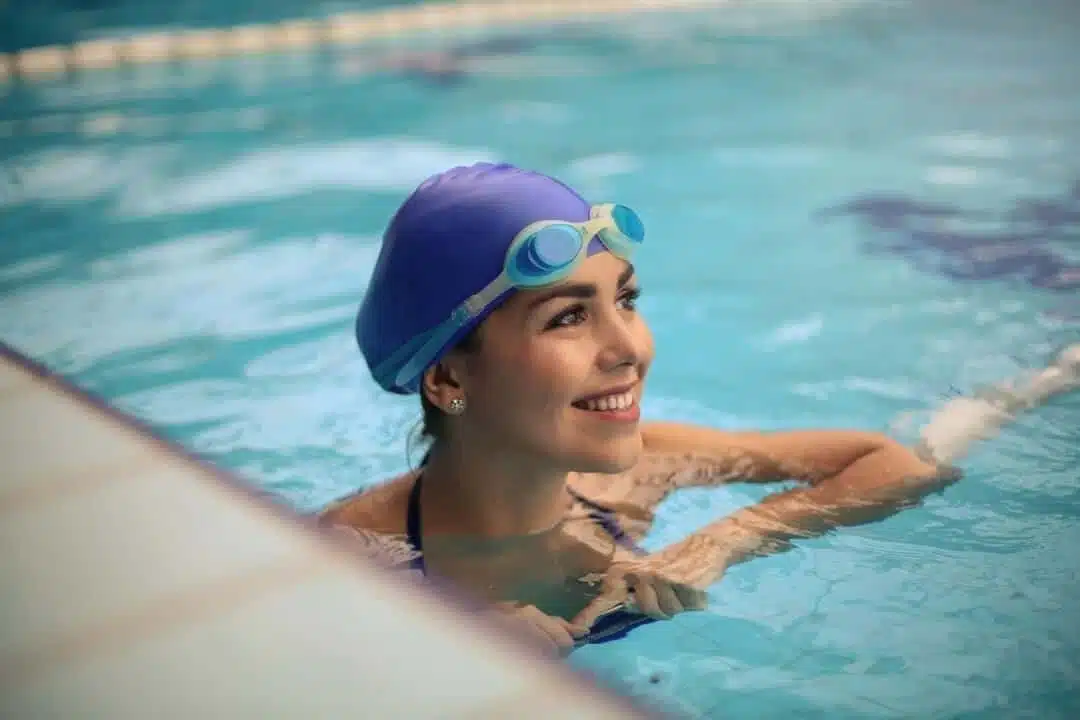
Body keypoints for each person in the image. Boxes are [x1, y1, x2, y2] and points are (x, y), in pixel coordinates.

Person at [319, 162, 1080, 657]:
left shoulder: (645, 471)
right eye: (567, 317)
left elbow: (900, 464)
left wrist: (728, 540)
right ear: (449, 374)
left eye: (626, 301)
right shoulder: (350, 558)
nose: (632, 348)